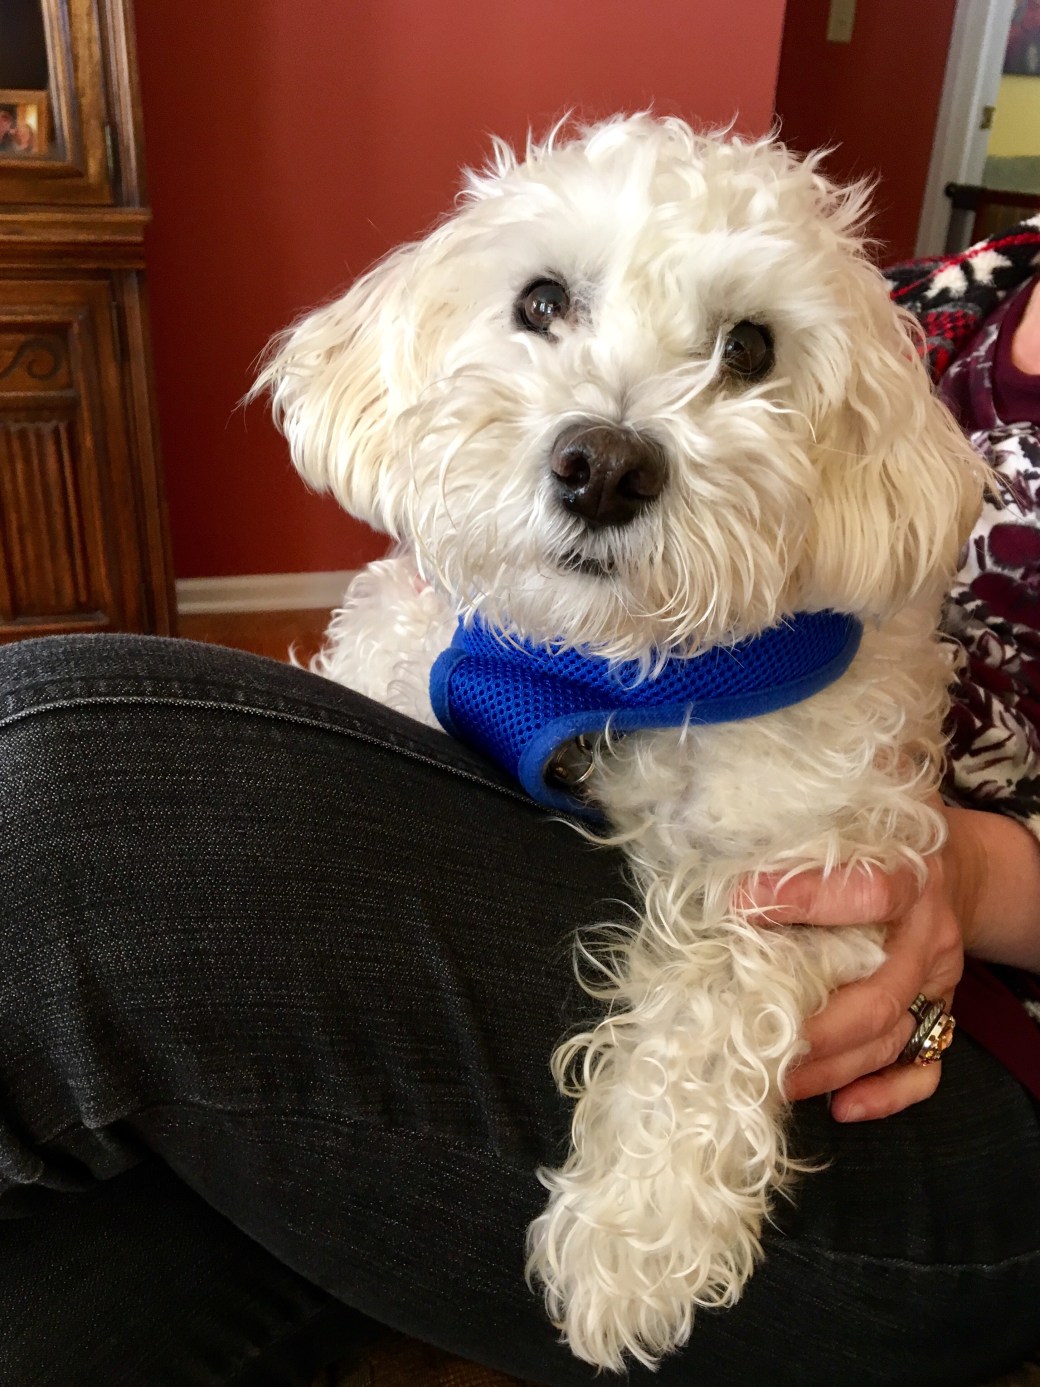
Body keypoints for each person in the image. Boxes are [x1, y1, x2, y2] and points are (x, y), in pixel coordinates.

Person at [2, 224, 1040, 1387]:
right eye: (547, 304)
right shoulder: (947, 294)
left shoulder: (856, 362)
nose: (606, 442)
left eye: (741, 354)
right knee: (46, 1308)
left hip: (937, 1092)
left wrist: (971, 874)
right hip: (538, 896)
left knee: (57, 787)